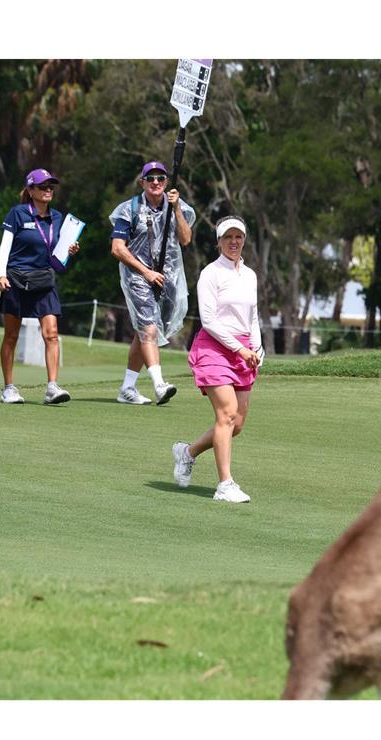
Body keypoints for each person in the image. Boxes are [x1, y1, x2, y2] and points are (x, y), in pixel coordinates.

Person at [172, 216, 262, 503]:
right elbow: (209, 321)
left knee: (236, 425)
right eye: (228, 237)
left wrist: (257, 349)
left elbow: (253, 316)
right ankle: (225, 485)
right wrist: (239, 349)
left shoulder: (249, 275)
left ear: (244, 240)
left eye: (238, 237)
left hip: (244, 350)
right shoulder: (211, 273)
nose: (234, 242)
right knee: (226, 413)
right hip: (214, 348)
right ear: (219, 241)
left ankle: (188, 452)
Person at [108, 160, 195, 406]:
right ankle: (159, 384)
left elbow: (186, 239)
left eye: (160, 178)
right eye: (151, 178)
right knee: (148, 329)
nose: (156, 183)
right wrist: (145, 272)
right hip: (138, 276)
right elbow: (117, 248)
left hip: (165, 276)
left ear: (166, 182)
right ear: (142, 182)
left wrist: (176, 208)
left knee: (143, 329)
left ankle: (127, 388)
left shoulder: (174, 205)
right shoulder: (129, 209)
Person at [0, 168, 80, 404]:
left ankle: (52, 387)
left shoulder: (58, 218)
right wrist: (1, 275)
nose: (48, 190)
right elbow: (5, 246)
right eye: (43, 187)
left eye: (51, 186)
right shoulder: (18, 213)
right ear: (31, 190)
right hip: (15, 279)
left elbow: (57, 257)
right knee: (11, 335)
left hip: (44, 279)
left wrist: (68, 252)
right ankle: (9, 388)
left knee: (51, 333)